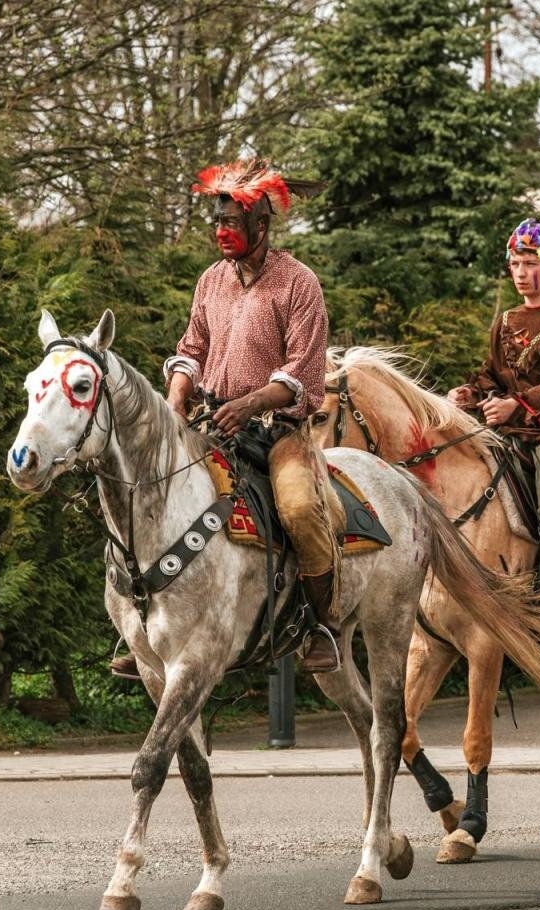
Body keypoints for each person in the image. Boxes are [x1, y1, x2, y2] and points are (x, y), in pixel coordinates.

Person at [158, 158, 344, 673]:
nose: (219, 231)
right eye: (215, 222)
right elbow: (190, 349)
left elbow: (302, 372)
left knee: (302, 508)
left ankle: (319, 624)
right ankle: (147, 623)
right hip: (211, 425)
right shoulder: (209, 281)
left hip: (279, 432)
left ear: (260, 226)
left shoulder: (298, 283)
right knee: (156, 492)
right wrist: (177, 396)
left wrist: (251, 403)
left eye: (230, 223)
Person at [447, 218, 540, 620]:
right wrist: (470, 393)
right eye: (514, 264)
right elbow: (492, 374)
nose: (520, 273)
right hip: (504, 431)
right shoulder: (506, 320)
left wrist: (518, 405)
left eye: (530, 263)